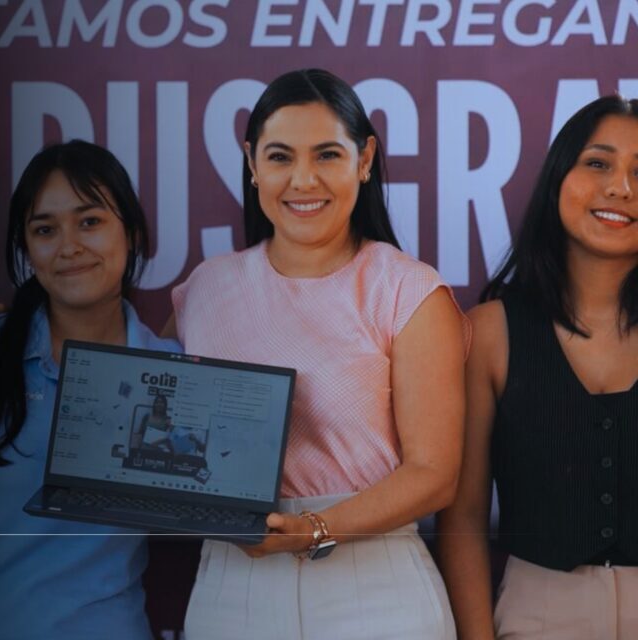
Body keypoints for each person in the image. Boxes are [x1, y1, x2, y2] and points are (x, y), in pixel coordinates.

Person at [168, 69, 469, 639]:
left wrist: (314, 528)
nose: (303, 179)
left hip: (374, 588)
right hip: (232, 585)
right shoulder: (204, 289)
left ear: (364, 160)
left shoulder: (408, 290)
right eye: (280, 157)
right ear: (252, 164)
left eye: (328, 154)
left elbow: (434, 475)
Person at [0, 140, 180, 640]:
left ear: (130, 233)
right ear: (26, 249)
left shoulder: (172, 374)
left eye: (90, 221)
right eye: (45, 229)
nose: (68, 246)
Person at [436, 96, 638, 640]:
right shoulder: (490, 333)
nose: (620, 187)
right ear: (558, 178)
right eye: (598, 162)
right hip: (537, 612)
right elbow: (463, 518)